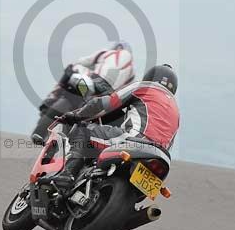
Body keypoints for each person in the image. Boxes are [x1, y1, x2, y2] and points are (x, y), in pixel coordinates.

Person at [50, 64, 180, 189]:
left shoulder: (144, 87)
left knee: (83, 130)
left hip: (134, 141)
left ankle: (67, 174)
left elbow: (105, 103)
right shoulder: (177, 111)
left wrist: (75, 115)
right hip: (159, 158)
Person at [32, 41, 135, 144]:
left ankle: (50, 99)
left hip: (94, 82)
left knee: (70, 71)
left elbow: (81, 62)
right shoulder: (132, 72)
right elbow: (127, 89)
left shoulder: (105, 52)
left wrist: (78, 71)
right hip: (110, 95)